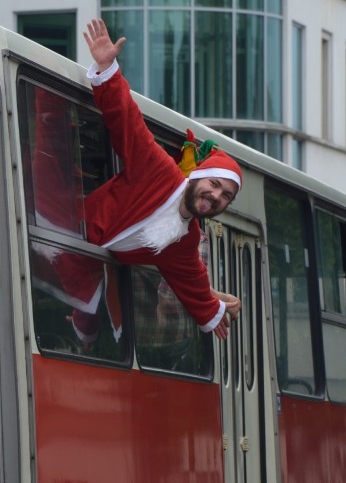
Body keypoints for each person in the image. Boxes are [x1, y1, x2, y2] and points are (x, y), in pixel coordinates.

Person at [81, 18, 242, 338]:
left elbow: (191, 280)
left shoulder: (188, 240)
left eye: (226, 196)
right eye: (214, 184)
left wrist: (212, 311)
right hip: (65, 230)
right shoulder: (158, 169)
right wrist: (106, 66)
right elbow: (126, 119)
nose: (216, 196)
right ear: (197, 177)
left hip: (86, 270)